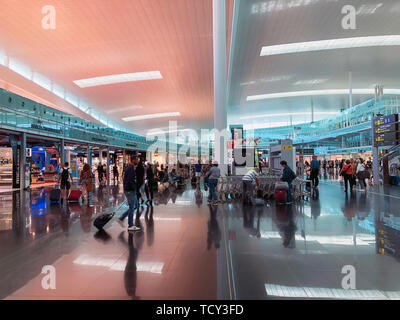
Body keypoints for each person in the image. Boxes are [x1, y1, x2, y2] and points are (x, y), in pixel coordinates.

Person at [117, 155, 140, 231]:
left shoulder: (131, 168)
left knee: (135, 206)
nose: (138, 161)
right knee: (132, 207)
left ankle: (122, 218)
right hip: (130, 190)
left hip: (130, 190)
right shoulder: (130, 169)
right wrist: (133, 188)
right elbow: (129, 181)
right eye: (137, 159)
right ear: (133, 160)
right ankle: (130, 225)